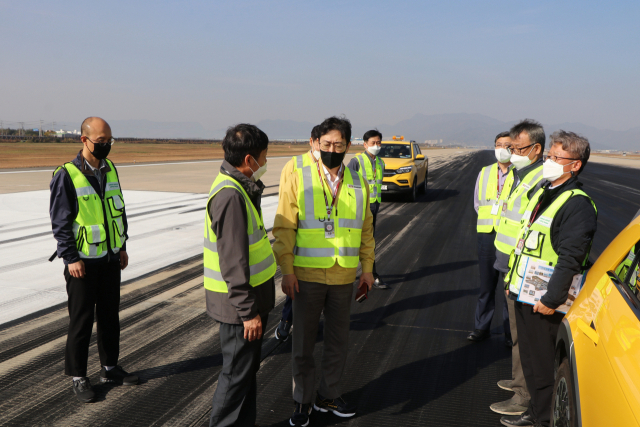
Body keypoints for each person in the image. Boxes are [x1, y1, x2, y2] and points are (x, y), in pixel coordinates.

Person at [273, 116, 375, 426]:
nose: (332, 148)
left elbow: (366, 229)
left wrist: (367, 270)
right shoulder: (298, 174)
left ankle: (328, 395)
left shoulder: (358, 181)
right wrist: (287, 270)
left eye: (339, 144)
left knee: (338, 341)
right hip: (306, 275)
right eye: (327, 143)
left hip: (344, 275)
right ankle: (302, 401)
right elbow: (285, 227)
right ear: (317, 144)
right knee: (303, 344)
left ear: (348, 146)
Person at [500, 131, 597, 427]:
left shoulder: (577, 204)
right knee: (529, 361)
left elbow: (570, 258)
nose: (549, 162)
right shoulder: (545, 192)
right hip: (523, 292)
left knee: (543, 367)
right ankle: (534, 411)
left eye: (557, 158)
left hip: (544, 300)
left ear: (575, 165)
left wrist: (551, 299)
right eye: (549, 156)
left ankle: (544, 419)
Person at [49, 117, 137, 403]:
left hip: (110, 258)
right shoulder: (66, 174)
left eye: (109, 141)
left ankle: (110, 368)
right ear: (83, 140)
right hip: (82, 263)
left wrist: (122, 246)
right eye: (100, 142)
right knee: (82, 320)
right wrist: (70, 257)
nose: (106, 146)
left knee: (110, 317)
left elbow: (118, 211)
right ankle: (78, 377)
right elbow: (60, 222)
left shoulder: (110, 169)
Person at [204, 124, 277, 427]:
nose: (265, 163)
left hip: (245, 304)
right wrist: (249, 313)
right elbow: (233, 262)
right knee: (235, 379)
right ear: (249, 160)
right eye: (264, 157)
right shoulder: (231, 196)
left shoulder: (237, 187)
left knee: (244, 376)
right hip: (239, 310)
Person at [490, 119, 546, 417]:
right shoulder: (519, 174)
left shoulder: (537, 180)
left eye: (517, 148)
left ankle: (523, 396)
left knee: (523, 334)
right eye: (510, 147)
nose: (511, 153)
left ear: (536, 149)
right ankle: (518, 381)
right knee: (515, 332)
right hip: (508, 263)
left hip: (523, 270)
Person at [275, 125, 321, 342]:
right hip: (299, 235)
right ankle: (286, 321)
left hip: (323, 239)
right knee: (297, 284)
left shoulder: (333, 166)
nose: (324, 148)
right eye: (320, 143)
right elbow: (285, 201)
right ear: (311, 142)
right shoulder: (294, 165)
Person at [467, 132, 514, 344]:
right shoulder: (485, 172)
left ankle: (509, 332)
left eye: (506, 145)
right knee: (486, 285)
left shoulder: (519, 174)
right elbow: (478, 203)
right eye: (498, 145)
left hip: (509, 238)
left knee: (508, 288)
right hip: (487, 235)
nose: (501, 148)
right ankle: (481, 327)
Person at [347, 129, 389, 289]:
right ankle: (371, 274)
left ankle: (369, 272)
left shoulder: (381, 162)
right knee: (360, 241)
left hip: (374, 206)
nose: (376, 146)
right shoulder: (356, 161)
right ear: (365, 144)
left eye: (379, 142)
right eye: (373, 143)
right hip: (358, 207)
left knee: (369, 241)